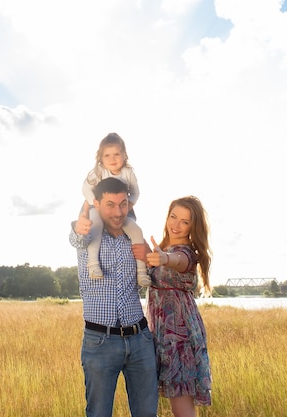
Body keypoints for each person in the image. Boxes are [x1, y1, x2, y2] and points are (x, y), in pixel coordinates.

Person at [69, 177, 158, 417]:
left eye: (123, 204)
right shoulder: (89, 238)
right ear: (96, 204)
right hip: (100, 342)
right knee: (98, 413)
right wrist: (79, 224)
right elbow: (77, 237)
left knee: (147, 413)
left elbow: (154, 280)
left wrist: (150, 258)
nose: (118, 212)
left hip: (140, 340)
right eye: (110, 204)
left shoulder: (135, 238)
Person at [133, 196, 212, 417]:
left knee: (182, 409)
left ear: (192, 227)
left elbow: (178, 260)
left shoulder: (186, 253)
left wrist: (164, 258)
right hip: (161, 335)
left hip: (180, 338)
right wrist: (152, 256)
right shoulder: (162, 248)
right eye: (173, 217)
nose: (176, 225)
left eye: (185, 222)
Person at [82, 132, 151, 287]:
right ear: (100, 158)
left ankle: (141, 272)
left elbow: (135, 193)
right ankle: (93, 263)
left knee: (136, 231)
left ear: (124, 155)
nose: (112, 159)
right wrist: (94, 204)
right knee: (96, 226)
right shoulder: (98, 172)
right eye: (107, 155)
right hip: (98, 208)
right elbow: (86, 189)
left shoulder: (128, 173)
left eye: (116, 154)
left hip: (123, 208)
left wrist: (128, 207)